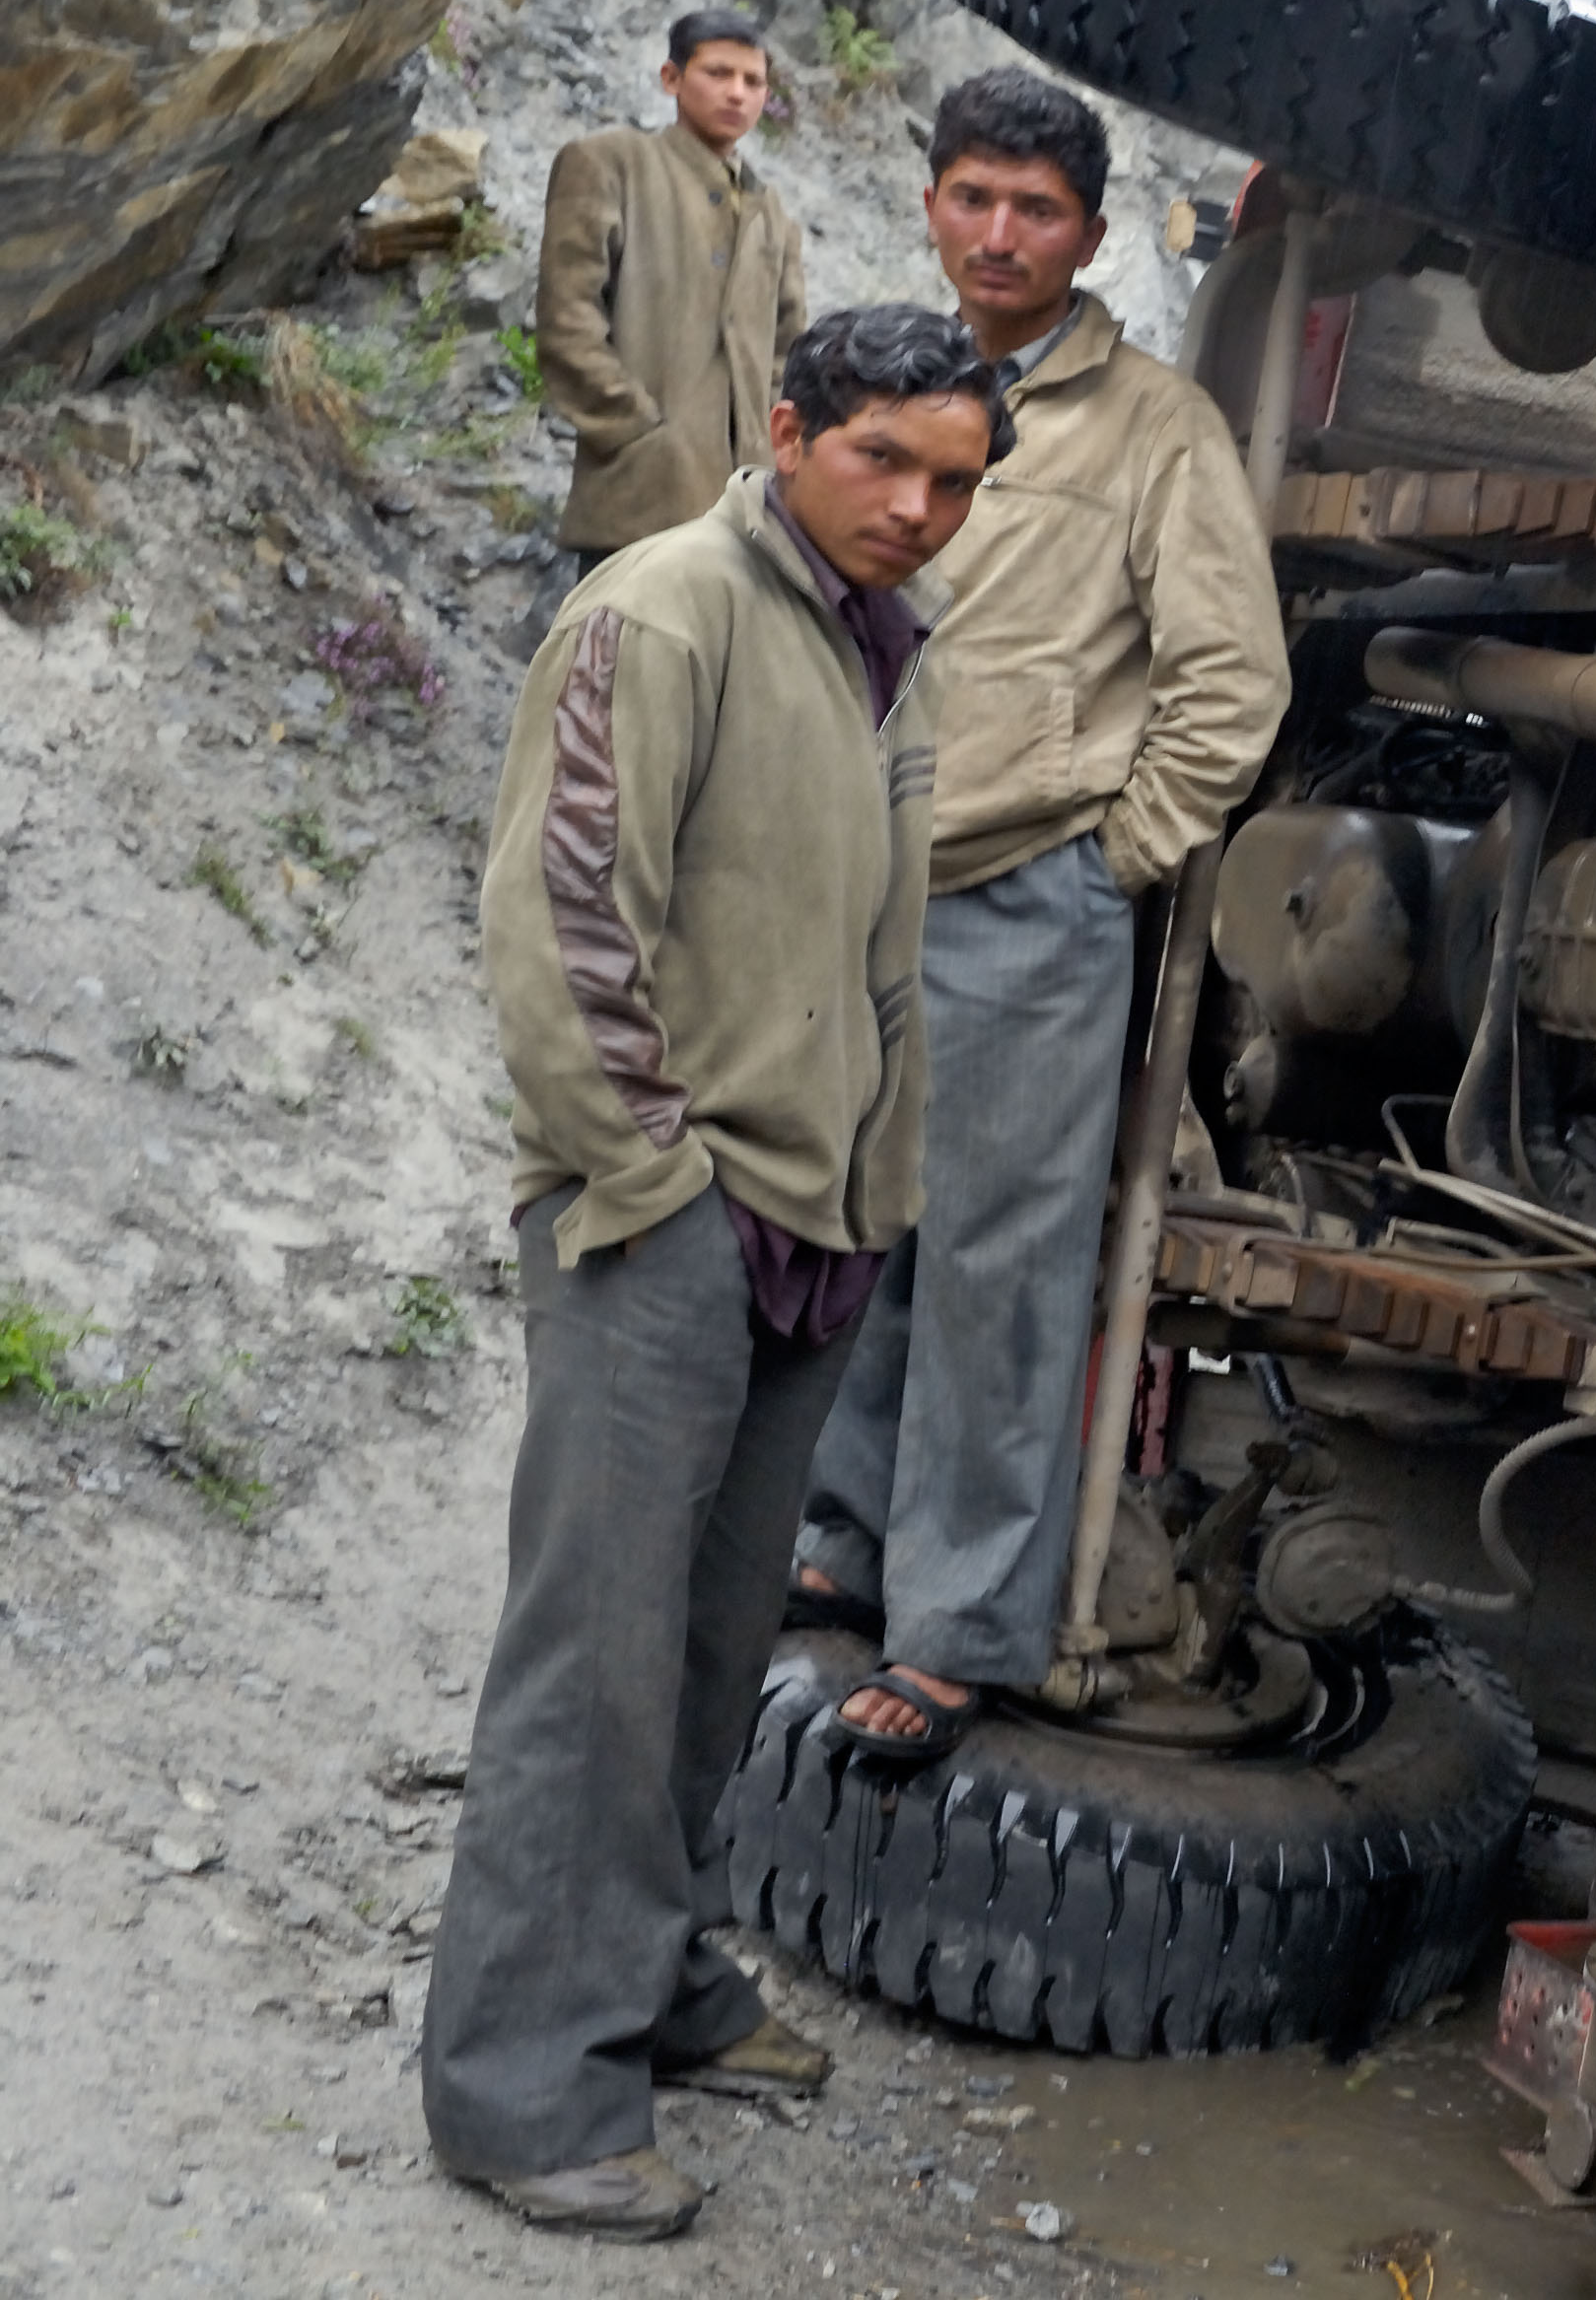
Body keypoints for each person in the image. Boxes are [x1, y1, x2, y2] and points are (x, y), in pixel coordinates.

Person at [423, 306, 1007, 2242]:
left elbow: (884, 961)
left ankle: (650, 1978)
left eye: (954, 481)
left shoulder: (878, 654)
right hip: (661, 1217)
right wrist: (655, 1179)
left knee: (705, 1651)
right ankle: (523, 2090)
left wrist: (877, 1189)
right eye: (886, 464)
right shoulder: (661, 612)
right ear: (787, 430)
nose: (920, 507)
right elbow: (564, 916)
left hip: (813, 1227)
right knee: (589, 1662)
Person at [790, 68, 1288, 1763]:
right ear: (930, 203)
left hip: (1027, 902)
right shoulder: (874, 386)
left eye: (1039, 209)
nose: (999, 235)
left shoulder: (1156, 429)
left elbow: (1229, 680)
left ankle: (959, 1629)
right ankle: (839, 1544)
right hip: (853, 890)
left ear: (1090, 235)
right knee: (856, 1230)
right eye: (972, 196)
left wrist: (1111, 854)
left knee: (1002, 1274)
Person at [535, 8, 810, 585]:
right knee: (612, 672)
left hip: (747, 518)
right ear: (671, 78)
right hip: (636, 502)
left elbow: (790, 354)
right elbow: (568, 320)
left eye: (753, 81)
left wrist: (771, 459)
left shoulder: (771, 209)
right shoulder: (610, 163)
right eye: (718, 73)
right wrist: (641, 432)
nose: (737, 94)